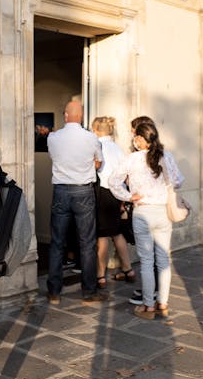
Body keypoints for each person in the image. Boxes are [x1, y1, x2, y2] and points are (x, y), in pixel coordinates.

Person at [109, 121, 184, 319]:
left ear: (141, 139)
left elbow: (113, 181)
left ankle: (149, 306)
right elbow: (178, 181)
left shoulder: (132, 159)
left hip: (143, 212)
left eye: (136, 137)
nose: (134, 140)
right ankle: (163, 303)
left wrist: (128, 196)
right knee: (163, 260)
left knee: (147, 261)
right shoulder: (166, 156)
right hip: (163, 212)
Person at [45, 100, 106, 305]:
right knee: (87, 243)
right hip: (83, 191)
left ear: (65, 115)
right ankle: (89, 292)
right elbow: (98, 163)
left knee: (57, 242)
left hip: (61, 191)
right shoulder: (91, 138)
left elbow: (55, 158)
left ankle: (54, 292)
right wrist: (86, 166)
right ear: (81, 116)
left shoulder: (53, 138)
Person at [90, 116, 134, 288]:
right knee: (116, 232)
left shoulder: (97, 146)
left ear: (96, 130)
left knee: (102, 236)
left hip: (103, 192)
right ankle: (128, 270)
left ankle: (100, 275)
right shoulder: (118, 148)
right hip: (117, 193)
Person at [126, 115, 155, 307]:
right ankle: (154, 293)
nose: (130, 135)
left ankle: (149, 296)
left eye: (132, 131)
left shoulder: (138, 157)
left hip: (145, 209)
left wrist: (128, 196)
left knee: (148, 257)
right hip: (156, 209)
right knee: (156, 256)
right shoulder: (158, 153)